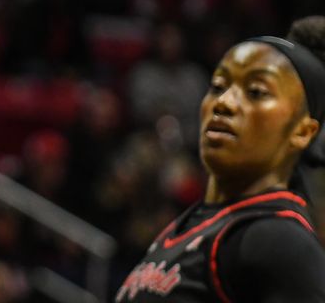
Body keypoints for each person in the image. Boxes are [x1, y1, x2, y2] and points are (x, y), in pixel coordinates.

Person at [115, 29, 325, 301]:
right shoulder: (190, 224)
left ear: (302, 131)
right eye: (218, 86)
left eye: (256, 92)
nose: (224, 103)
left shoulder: (275, 239)